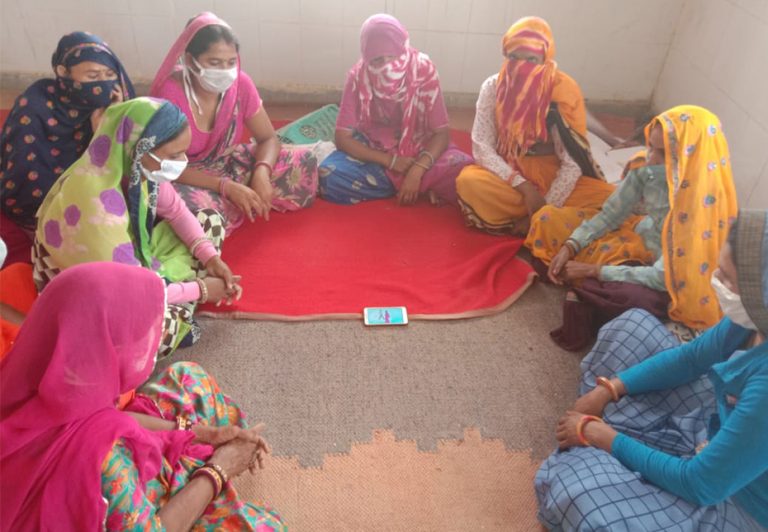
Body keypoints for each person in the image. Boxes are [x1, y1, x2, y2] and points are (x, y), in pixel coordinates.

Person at [0, 262, 285, 531]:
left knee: (187, 377)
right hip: (92, 499)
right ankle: (218, 466)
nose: (152, 341)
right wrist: (219, 470)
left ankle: (212, 457)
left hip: (82, 470)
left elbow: (104, 417)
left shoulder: (40, 371)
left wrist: (200, 433)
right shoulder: (105, 459)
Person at [535, 209, 768, 531]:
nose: (717, 282)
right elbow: (692, 358)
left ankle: (621, 450)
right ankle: (635, 447)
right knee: (633, 327)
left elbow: (701, 484)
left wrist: (598, 434)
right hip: (715, 427)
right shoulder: (754, 316)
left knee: (586, 502)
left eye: (727, 280)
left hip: (736, 502)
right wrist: (610, 389)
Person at [33, 97, 241, 358]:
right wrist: (202, 289)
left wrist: (211, 258)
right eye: (173, 156)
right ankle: (177, 308)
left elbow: (176, 211)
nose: (182, 162)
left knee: (210, 220)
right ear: (139, 147)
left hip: (131, 259)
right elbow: (127, 290)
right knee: (149, 336)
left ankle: (176, 304)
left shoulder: (136, 168)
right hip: (93, 292)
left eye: (183, 153)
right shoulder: (94, 205)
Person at [529, 105, 738, 350]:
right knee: (548, 219)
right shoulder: (644, 169)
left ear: (689, 156)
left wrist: (594, 270)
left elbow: (663, 277)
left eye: (662, 153)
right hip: (636, 238)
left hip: (668, 275)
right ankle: (587, 287)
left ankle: (590, 292)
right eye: (650, 145)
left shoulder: (702, 203)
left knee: (634, 297)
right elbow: (610, 215)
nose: (650, 157)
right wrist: (570, 245)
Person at [150, 12, 318, 231]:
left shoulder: (240, 84)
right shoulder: (170, 93)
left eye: (230, 62)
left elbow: (268, 138)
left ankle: (242, 199)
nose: (224, 71)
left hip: (227, 164)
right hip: (185, 178)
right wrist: (225, 187)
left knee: (304, 160)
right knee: (200, 216)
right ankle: (233, 203)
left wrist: (261, 172)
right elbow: (161, 165)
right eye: (214, 62)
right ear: (190, 60)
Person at [455, 17, 615, 235]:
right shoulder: (493, 87)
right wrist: (525, 188)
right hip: (509, 173)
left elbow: (571, 164)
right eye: (513, 57)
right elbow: (482, 146)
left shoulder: (561, 93)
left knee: (608, 201)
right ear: (504, 56)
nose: (522, 67)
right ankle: (544, 220)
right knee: (469, 182)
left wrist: (542, 209)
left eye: (531, 59)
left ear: (545, 59)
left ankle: (535, 218)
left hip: (552, 175)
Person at [0, 31, 135, 258]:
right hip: (40, 198)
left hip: (87, 183)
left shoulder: (109, 103)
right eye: (92, 76)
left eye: (109, 74)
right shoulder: (34, 107)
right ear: (63, 73)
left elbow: (119, 168)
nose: (102, 83)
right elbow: (26, 180)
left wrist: (107, 125)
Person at [320, 14, 473, 206]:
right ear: (366, 58)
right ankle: (418, 187)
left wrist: (417, 171)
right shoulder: (358, 77)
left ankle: (399, 185)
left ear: (403, 50)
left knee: (465, 172)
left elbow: (441, 133)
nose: (386, 67)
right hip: (376, 152)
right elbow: (343, 137)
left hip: (420, 149)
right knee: (329, 176)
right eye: (376, 60)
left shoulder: (424, 71)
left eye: (392, 57)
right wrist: (391, 161)